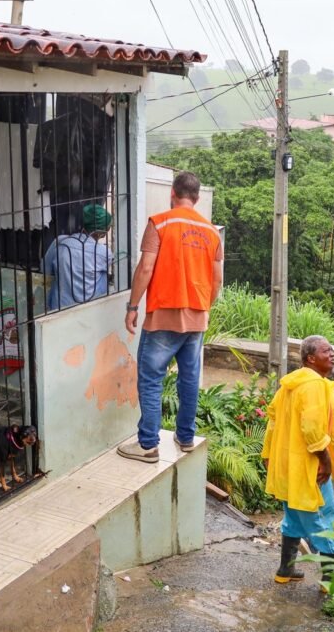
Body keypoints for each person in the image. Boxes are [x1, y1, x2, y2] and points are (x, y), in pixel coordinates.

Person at [119, 172, 223, 464]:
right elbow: (217, 281)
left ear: (172, 194)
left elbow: (145, 268)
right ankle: (186, 438)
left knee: (151, 377)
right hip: (197, 316)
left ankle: (148, 445)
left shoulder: (160, 223)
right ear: (197, 198)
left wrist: (132, 307)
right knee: (189, 378)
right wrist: (203, 308)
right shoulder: (212, 232)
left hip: (164, 314)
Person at [262, 335, 334, 585]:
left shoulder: (289, 384)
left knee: (293, 518)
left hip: (287, 467)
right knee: (324, 515)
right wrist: (326, 460)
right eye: (325, 351)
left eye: (332, 350)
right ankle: (331, 580)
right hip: (308, 467)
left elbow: (272, 422)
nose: (332, 354)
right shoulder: (314, 384)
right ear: (310, 358)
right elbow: (312, 429)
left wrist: (268, 455)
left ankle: (285, 570)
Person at [43, 203, 114, 310]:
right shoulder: (103, 252)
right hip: (89, 308)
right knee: (105, 275)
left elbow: (45, 269)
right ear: (103, 232)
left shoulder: (60, 241)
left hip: (59, 306)